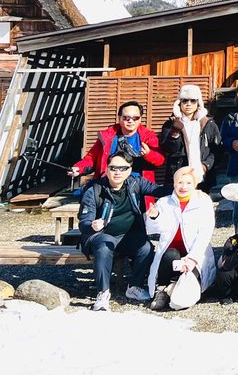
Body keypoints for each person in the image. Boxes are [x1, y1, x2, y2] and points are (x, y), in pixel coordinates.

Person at [79, 152, 169, 311]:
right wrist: (92, 225)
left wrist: (182, 186)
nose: (117, 172)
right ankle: (103, 293)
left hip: (128, 235)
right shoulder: (94, 190)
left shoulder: (135, 183)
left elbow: (159, 191)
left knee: (146, 248)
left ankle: (134, 287)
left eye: (123, 168)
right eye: (113, 168)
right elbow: (84, 221)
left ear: (129, 170)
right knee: (104, 246)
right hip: (101, 235)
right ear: (106, 169)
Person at [146, 166, 217, 311]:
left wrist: (192, 258)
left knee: (187, 293)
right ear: (174, 183)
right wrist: (154, 216)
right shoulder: (165, 202)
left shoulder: (203, 202)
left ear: (195, 184)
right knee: (171, 254)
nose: (183, 187)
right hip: (171, 251)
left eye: (188, 183)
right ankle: (163, 289)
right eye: (180, 182)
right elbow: (152, 229)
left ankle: (173, 289)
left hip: (194, 253)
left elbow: (205, 233)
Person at [71, 101, 165, 186]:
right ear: (119, 118)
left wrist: (149, 154)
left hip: (138, 185)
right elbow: (92, 157)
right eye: (126, 118)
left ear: (140, 119)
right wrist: (79, 168)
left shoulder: (148, 136)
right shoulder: (107, 136)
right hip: (109, 183)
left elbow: (160, 160)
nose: (130, 121)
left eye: (135, 118)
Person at [158, 85, 221, 190]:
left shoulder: (208, 123)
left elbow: (217, 150)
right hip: (179, 174)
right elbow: (167, 149)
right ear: (179, 103)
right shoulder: (171, 123)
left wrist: (206, 165)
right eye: (185, 101)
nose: (188, 104)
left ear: (198, 103)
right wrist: (175, 133)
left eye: (193, 101)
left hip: (202, 176)